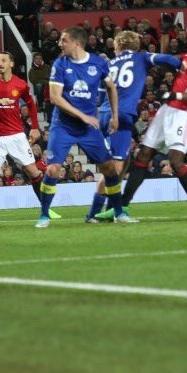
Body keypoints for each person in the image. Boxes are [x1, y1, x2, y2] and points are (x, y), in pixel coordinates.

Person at [119, 19, 187, 220]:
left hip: (184, 112)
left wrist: (177, 95)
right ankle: (122, 207)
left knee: (175, 160)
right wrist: (164, 34)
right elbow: (166, 60)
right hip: (168, 108)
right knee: (143, 155)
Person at [38, 26, 126, 228]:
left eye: (64, 40)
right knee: (52, 169)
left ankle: (118, 213)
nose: (60, 44)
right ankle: (43, 216)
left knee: (109, 168)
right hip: (63, 125)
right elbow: (55, 98)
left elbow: (111, 88)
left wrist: (115, 116)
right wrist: (83, 116)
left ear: (76, 43)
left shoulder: (98, 63)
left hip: (88, 129)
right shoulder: (60, 64)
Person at [90, 30, 181, 222]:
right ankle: (114, 213)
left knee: (124, 161)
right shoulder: (141, 57)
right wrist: (184, 68)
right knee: (116, 166)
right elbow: (168, 59)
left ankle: (101, 212)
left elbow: (99, 94)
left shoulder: (109, 64)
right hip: (121, 115)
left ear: (119, 45)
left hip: (104, 114)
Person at [0, 51, 59, 223]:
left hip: (16, 136)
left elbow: (31, 105)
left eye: (3, 60)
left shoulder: (21, 84)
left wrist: (35, 127)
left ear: (11, 64)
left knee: (33, 171)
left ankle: (46, 209)